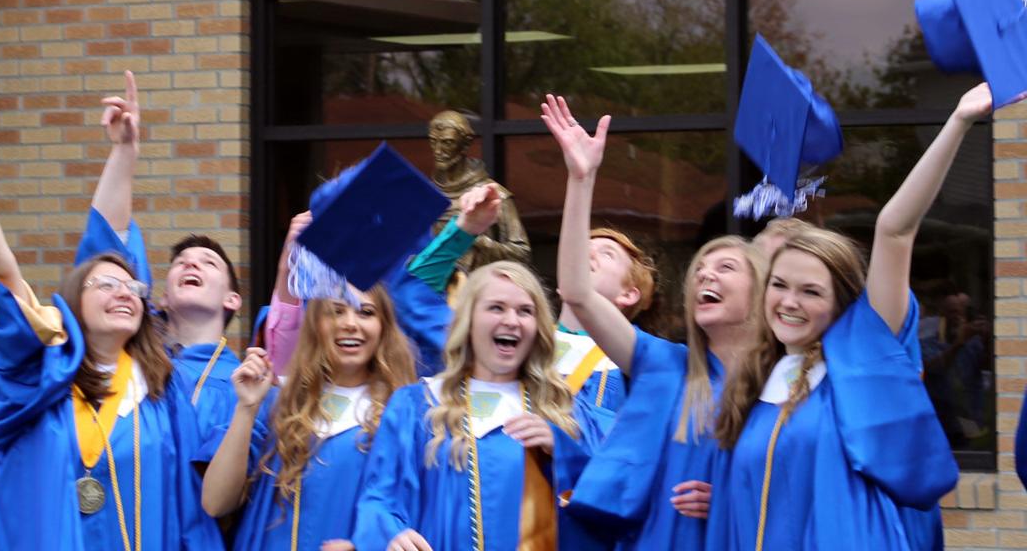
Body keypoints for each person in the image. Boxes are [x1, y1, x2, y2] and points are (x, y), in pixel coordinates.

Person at [0, 92, 219, 550]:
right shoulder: (39, 377)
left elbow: (187, 510)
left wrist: (125, 152)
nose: (124, 292)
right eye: (106, 284)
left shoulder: (161, 391)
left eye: (133, 287)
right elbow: (6, 272)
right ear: (73, 305)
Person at [708, 88, 983, 550]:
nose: (789, 302)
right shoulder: (755, 379)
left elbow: (895, 230)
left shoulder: (861, 356)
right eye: (779, 284)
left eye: (811, 291)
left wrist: (959, 120)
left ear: (842, 303)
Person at [540, 94, 765, 549]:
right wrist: (581, 179)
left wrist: (734, 497)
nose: (706, 275)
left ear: (762, 293)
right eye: (700, 269)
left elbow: (805, 482)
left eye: (725, 267)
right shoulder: (666, 364)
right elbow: (577, 292)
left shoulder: (781, 383)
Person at [351, 259, 607, 551]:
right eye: (496, 308)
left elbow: (615, 497)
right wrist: (390, 534)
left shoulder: (566, 411)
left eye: (525, 311)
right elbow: (379, 499)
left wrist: (564, 450)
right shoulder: (418, 406)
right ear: (468, 322)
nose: (511, 320)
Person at [75, 71, 243, 431]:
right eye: (181, 262)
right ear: (162, 297)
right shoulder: (127, 344)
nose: (191, 264)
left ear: (232, 299)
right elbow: (106, 248)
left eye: (208, 262)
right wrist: (124, 152)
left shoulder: (240, 384)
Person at [411, 180, 658, 414]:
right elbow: (414, 293)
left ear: (629, 294)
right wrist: (466, 229)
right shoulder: (514, 337)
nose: (586, 252)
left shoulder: (637, 362)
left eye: (607, 253)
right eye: (583, 246)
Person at [201, 287, 417, 550]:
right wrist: (246, 408)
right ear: (315, 324)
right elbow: (215, 502)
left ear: (384, 326)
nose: (350, 323)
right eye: (336, 311)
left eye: (366, 312)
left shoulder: (403, 417)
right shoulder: (279, 403)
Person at [427, 110, 530, 270]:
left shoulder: (494, 195)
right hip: (427, 282)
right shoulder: (425, 193)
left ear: (465, 144)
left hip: (476, 282)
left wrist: (476, 238)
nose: (438, 151)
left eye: (447, 142)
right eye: (433, 141)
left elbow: (522, 254)